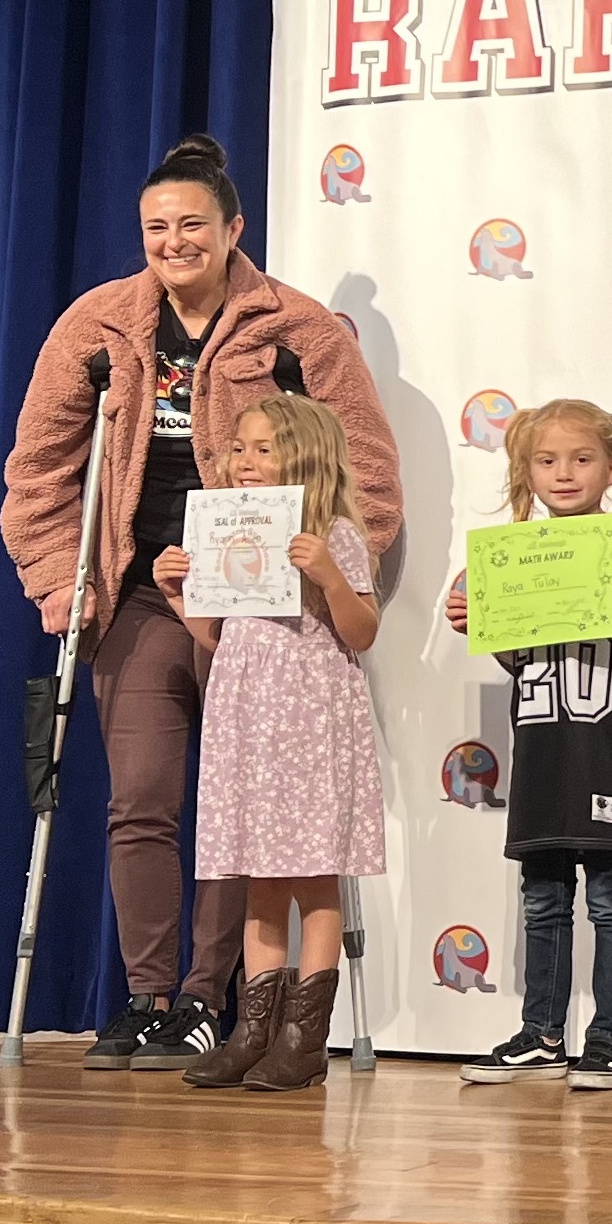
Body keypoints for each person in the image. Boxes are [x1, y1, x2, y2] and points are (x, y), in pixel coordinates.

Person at [0, 134, 401, 1071]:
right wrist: (60, 580)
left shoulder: (296, 328)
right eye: (156, 228)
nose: (173, 242)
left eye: (191, 225)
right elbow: (40, 466)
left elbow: (366, 465)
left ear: (232, 230)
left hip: (267, 602)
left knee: (243, 804)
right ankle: (148, 995)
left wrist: (340, 567)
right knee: (141, 798)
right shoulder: (98, 324)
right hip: (146, 589)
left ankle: (208, 999)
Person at [443, 401, 612, 1093]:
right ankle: (543, 1032)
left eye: (581, 459)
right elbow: (522, 658)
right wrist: (480, 621)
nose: (564, 473)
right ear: (526, 471)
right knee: (543, 897)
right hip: (543, 748)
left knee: (611, 898)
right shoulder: (517, 552)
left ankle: (608, 1038)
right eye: (546, 461)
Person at [147, 395, 382, 1091]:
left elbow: (362, 631)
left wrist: (328, 573)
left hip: (308, 720)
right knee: (260, 880)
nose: (245, 462)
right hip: (248, 718)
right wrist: (177, 597)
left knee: (313, 876)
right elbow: (220, 637)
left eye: (263, 449)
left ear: (304, 456)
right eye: (239, 449)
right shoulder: (231, 534)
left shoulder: (333, 533)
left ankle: (305, 1040)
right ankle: (252, 1032)